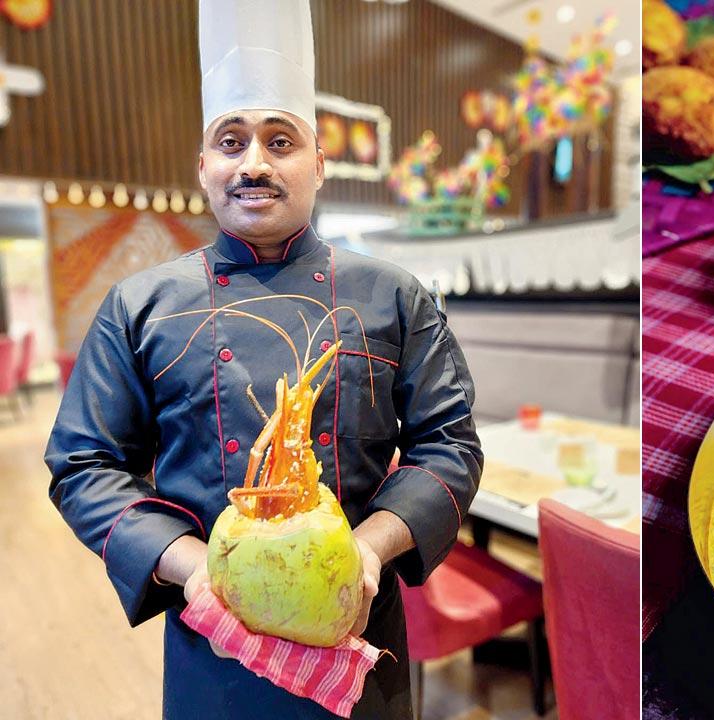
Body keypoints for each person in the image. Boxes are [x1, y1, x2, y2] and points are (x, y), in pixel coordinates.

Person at [44, 1, 482, 717]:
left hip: (358, 628)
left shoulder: (396, 296)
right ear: (204, 165)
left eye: (280, 142)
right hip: (213, 643)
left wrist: (367, 552)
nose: (254, 163)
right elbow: (83, 464)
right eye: (231, 141)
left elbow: (450, 446)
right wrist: (191, 572)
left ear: (319, 163)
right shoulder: (139, 305)